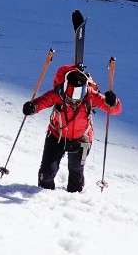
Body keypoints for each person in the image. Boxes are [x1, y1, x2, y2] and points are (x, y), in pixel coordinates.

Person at [22, 63, 121, 192]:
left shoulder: (90, 95)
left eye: (80, 92)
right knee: (46, 175)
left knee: (76, 180)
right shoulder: (58, 93)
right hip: (57, 137)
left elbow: (113, 110)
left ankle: (75, 196)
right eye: (71, 92)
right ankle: (44, 197)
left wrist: (113, 102)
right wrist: (33, 107)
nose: (75, 99)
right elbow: (43, 101)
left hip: (81, 139)